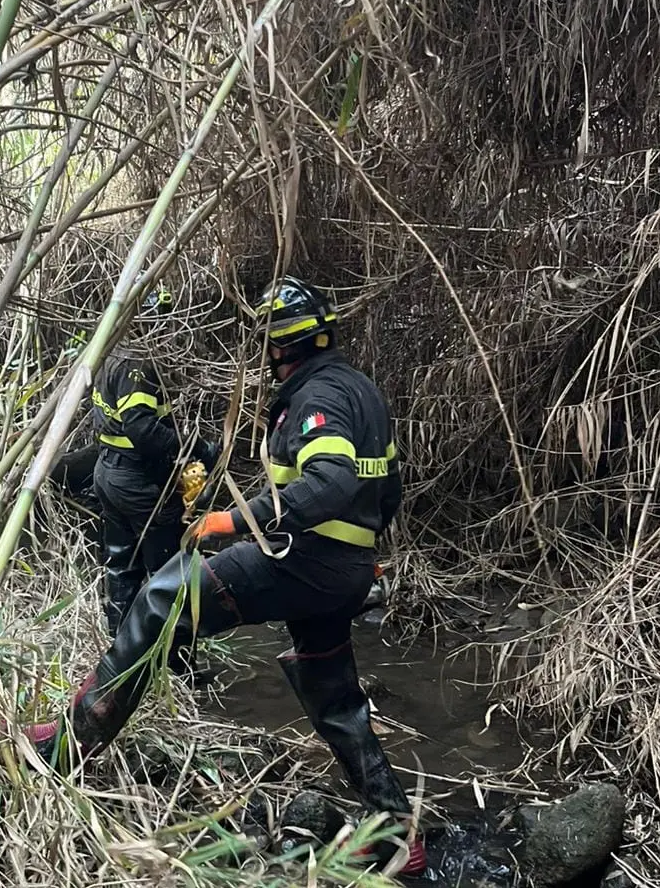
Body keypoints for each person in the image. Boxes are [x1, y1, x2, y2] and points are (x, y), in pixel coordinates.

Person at [25, 275, 426, 876]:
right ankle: (396, 832)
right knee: (332, 692)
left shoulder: (317, 399)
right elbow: (385, 489)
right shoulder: (359, 389)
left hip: (306, 560)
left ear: (279, 345)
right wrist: (358, 553)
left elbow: (334, 481)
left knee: (162, 596)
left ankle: (68, 746)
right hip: (342, 568)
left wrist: (233, 520)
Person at [90, 285, 220, 636]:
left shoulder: (113, 352)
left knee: (122, 567)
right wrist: (197, 447)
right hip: (138, 483)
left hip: (109, 474)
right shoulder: (140, 363)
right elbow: (142, 431)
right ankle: (175, 666)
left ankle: (120, 653)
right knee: (170, 573)